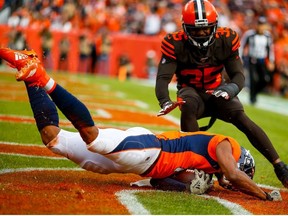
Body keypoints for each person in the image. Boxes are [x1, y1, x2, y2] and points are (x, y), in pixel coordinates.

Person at [0, 47, 280, 201]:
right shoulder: (225, 146)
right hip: (149, 149)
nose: (228, 182)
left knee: (54, 140)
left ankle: (30, 72)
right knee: (93, 138)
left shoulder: (203, 164)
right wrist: (264, 195)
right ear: (241, 161)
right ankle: (44, 79)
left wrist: (185, 186)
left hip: (141, 163)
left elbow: (161, 179)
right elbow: (232, 175)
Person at [155, 0, 288, 189]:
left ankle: (280, 166)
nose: (201, 34)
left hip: (217, 90)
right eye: (195, 30)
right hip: (191, 92)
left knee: (241, 118)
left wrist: (230, 89)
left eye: (205, 29)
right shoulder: (174, 43)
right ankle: (194, 167)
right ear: (185, 28)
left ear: (215, 25)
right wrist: (164, 100)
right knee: (188, 105)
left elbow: (238, 75)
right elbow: (162, 79)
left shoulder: (226, 39)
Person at [240, 16, 275, 104]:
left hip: (262, 60)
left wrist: (271, 61)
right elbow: (241, 46)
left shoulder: (268, 36)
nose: (261, 27)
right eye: (260, 24)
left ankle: (254, 93)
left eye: (263, 25)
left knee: (265, 79)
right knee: (253, 79)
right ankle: (252, 98)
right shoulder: (249, 34)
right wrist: (240, 57)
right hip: (252, 60)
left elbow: (270, 49)